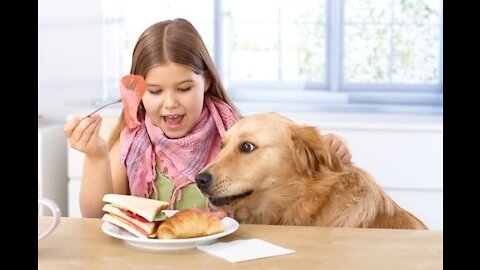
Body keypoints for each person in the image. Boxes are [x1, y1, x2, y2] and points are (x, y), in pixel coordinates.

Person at [63, 18, 352, 218]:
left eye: (185, 88)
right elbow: (95, 215)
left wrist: (326, 149)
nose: (170, 103)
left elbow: (296, 178)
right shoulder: (132, 143)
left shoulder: (238, 137)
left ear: (208, 82)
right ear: (137, 91)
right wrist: (96, 157)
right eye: (154, 91)